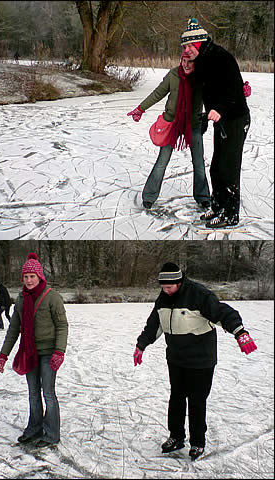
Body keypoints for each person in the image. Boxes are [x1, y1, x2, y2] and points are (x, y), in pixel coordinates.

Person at [133, 262, 257, 461]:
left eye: (169, 287)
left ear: (180, 282)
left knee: (197, 401)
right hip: (176, 359)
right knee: (176, 398)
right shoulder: (163, 299)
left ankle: (198, 443)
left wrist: (240, 332)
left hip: (201, 360)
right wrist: (141, 345)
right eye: (163, 288)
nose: (166, 291)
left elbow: (224, 313)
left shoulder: (199, 295)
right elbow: (154, 325)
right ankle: (176, 437)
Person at [0, 252, 69, 448]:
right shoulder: (21, 299)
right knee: (33, 393)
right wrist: (3, 356)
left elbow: (62, 326)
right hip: (29, 352)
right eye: (25, 277)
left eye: (32, 276)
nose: (29, 280)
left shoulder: (52, 297)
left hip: (49, 352)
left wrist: (59, 351)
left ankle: (51, 434)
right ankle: (34, 429)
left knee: (48, 393)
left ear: (40, 276)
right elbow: (14, 329)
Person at [180, 18, 251, 228]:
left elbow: (234, 90)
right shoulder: (202, 61)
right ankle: (218, 207)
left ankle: (230, 215)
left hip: (236, 119)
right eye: (184, 46)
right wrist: (204, 115)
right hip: (221, 121)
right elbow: (205, 90)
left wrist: (219, 109)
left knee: (228, 169)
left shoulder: (221, 58)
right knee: (216, 169)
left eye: (190, 45)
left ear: (200, 42)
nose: (187, 50)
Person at [127, 51, 210, 212]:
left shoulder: (201, 77)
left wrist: (239, 92)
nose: (186, 64)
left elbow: (216, 93)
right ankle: (149, 196)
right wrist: (140, 108)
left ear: (196, 63)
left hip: (193, 125)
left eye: (190, 61)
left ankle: (203, 197)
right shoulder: (173, 75)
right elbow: (158, 93)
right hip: (172, 124)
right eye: (183, 61)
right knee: (162, 162)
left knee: (198, 163)